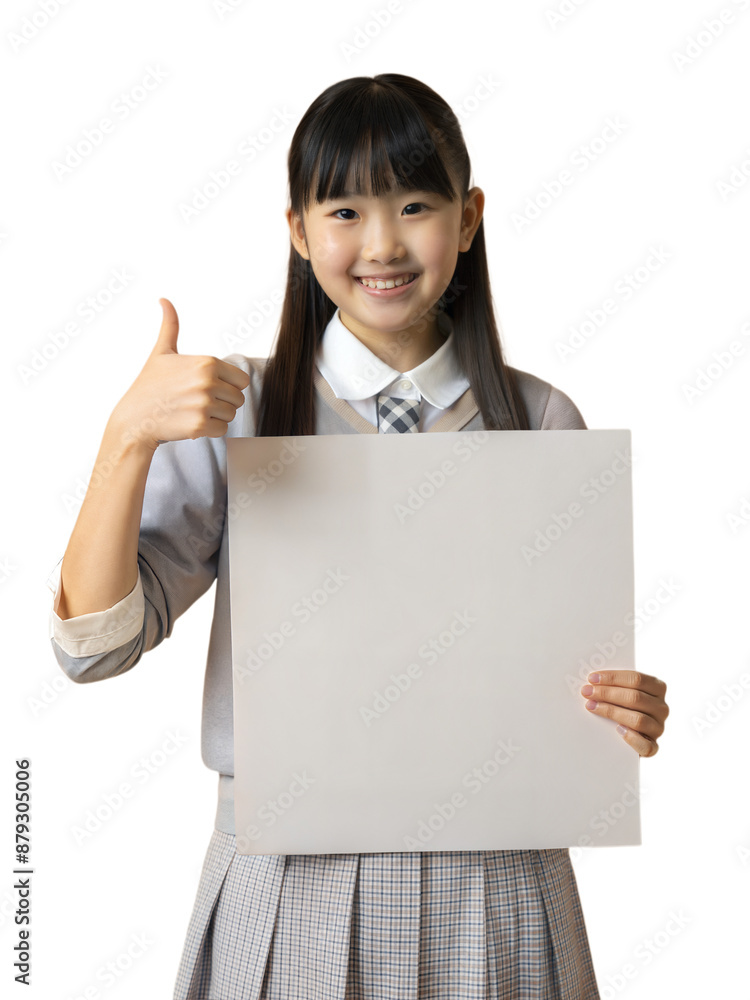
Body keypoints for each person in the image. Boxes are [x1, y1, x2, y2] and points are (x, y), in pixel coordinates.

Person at [48, 73, 669, 1000]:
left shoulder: (540, 421)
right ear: (298, 231)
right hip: (293, 882)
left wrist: (622, 708)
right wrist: (127, 436)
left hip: (495, 888)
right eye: (345, 210)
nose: (382, 243)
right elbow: (93, 648)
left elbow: (558, 683)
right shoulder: (242, 410)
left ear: (469, 220)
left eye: (415, 204)